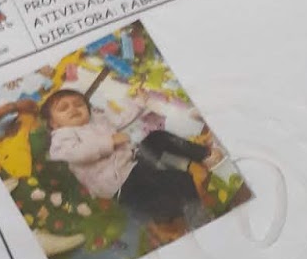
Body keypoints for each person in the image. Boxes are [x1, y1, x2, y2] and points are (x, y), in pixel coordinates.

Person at [41, 87, 212, 235]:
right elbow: (76, 154)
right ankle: (187, 219)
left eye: (79, 104)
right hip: (121, 184)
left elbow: (120, 119)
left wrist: (139, 102)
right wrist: (109, 142)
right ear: (53, 123)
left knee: (157, 138)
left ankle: (205, 155)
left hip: (134, 163)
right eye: (63, 108)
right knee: (174, 187)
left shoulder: (96, 120)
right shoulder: (61, 137)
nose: (73, 108)